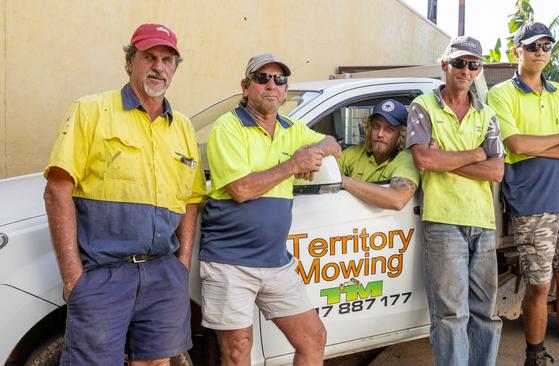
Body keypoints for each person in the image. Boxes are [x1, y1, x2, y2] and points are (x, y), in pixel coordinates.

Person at [43, 24, 206, 365]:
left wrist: (182, 263)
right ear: (129, 62)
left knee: (157, 363)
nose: (159, 67)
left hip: (164, 273)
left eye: (168, 59)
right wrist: (73, 277)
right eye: (149, 57)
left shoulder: (183, 128)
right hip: (104, 273)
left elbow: (191, 199)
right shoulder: (91, 110)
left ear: (176, 67)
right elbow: (58, 189)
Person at [199, 53, 341, 366]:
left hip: (276, 261)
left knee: (313, 338)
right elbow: (241, 189)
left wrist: (312, 150)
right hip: (230, 262)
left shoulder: (293, 129)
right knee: (237, 351)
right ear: (245, 86)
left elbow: (334, 144)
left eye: (279, 79)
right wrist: (293, 165)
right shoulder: (229, 127)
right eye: (262, 78)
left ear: (286, 89)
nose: (271, 85)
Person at [487, 22, 559, 366]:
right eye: (533, 46)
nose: (540, 52)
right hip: (531, 202)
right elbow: (515, 144)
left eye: (546, 46)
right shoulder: (501, 94)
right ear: (517, 50)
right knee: (538, 283)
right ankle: (535, 355)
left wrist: (541, 146)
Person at [406, 36, 505, 366]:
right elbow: (425, 161)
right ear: (445, 64)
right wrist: (475, 154)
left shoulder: (486, 114)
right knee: (451, 315)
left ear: (479, 70)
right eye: (460, 62)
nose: (466, 70)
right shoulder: (423, 107)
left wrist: (448, 157)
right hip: (444, 222)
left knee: (485, 313)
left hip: (483, 223)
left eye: (473, 64)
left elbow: (496, 171)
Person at [337, 99, 420, 210]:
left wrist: (346, 181)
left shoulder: (406, 160)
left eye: (389, 129)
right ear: (369, 128)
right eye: (376, 126)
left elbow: (398, 200)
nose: (380, 134)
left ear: (402, 134)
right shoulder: (353, 153)